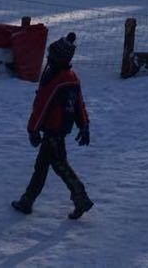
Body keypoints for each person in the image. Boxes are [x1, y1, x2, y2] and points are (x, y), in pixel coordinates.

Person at [11, 33, 93, 219]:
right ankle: (27, 201)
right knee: (42, 167)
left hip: (53, 131)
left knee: (60, 166)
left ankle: (81, 197)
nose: (47, 57)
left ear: (58, 58)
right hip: (58, 130)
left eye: (51, 55)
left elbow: (42, 106)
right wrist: (84, 125)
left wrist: (32, 130)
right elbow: (79, 104)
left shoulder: (56, 80)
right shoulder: (71, 78)